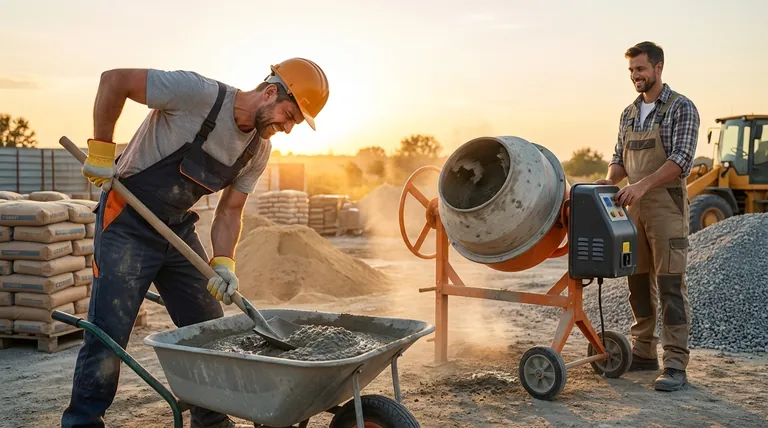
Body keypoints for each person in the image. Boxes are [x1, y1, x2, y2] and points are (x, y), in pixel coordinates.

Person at [61, 58, 330, 428]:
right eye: (288, 115)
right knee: (110, 331)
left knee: (208, 328)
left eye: (294, 123)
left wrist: (224, 263)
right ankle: (83, 422)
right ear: (270, 92)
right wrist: (102, 151)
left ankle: (211, 420)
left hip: (176, 229)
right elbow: (114, 81)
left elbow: (230, 211)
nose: (286, 128)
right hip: (127, 222)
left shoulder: (258, 150)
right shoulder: (197, 94)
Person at [595, 41, 699, 392]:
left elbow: (681, 159)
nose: (635, 76)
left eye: (640, 69)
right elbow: (618, 159)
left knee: (670, 286)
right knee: (637, 284)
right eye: (630, 71)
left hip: (666, 208)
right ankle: (642, 352)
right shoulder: (628, 113)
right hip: (632, 209)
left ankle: (674, 364)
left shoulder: (681, 108)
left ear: (658, 68)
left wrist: (641, 185)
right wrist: (610, 182)